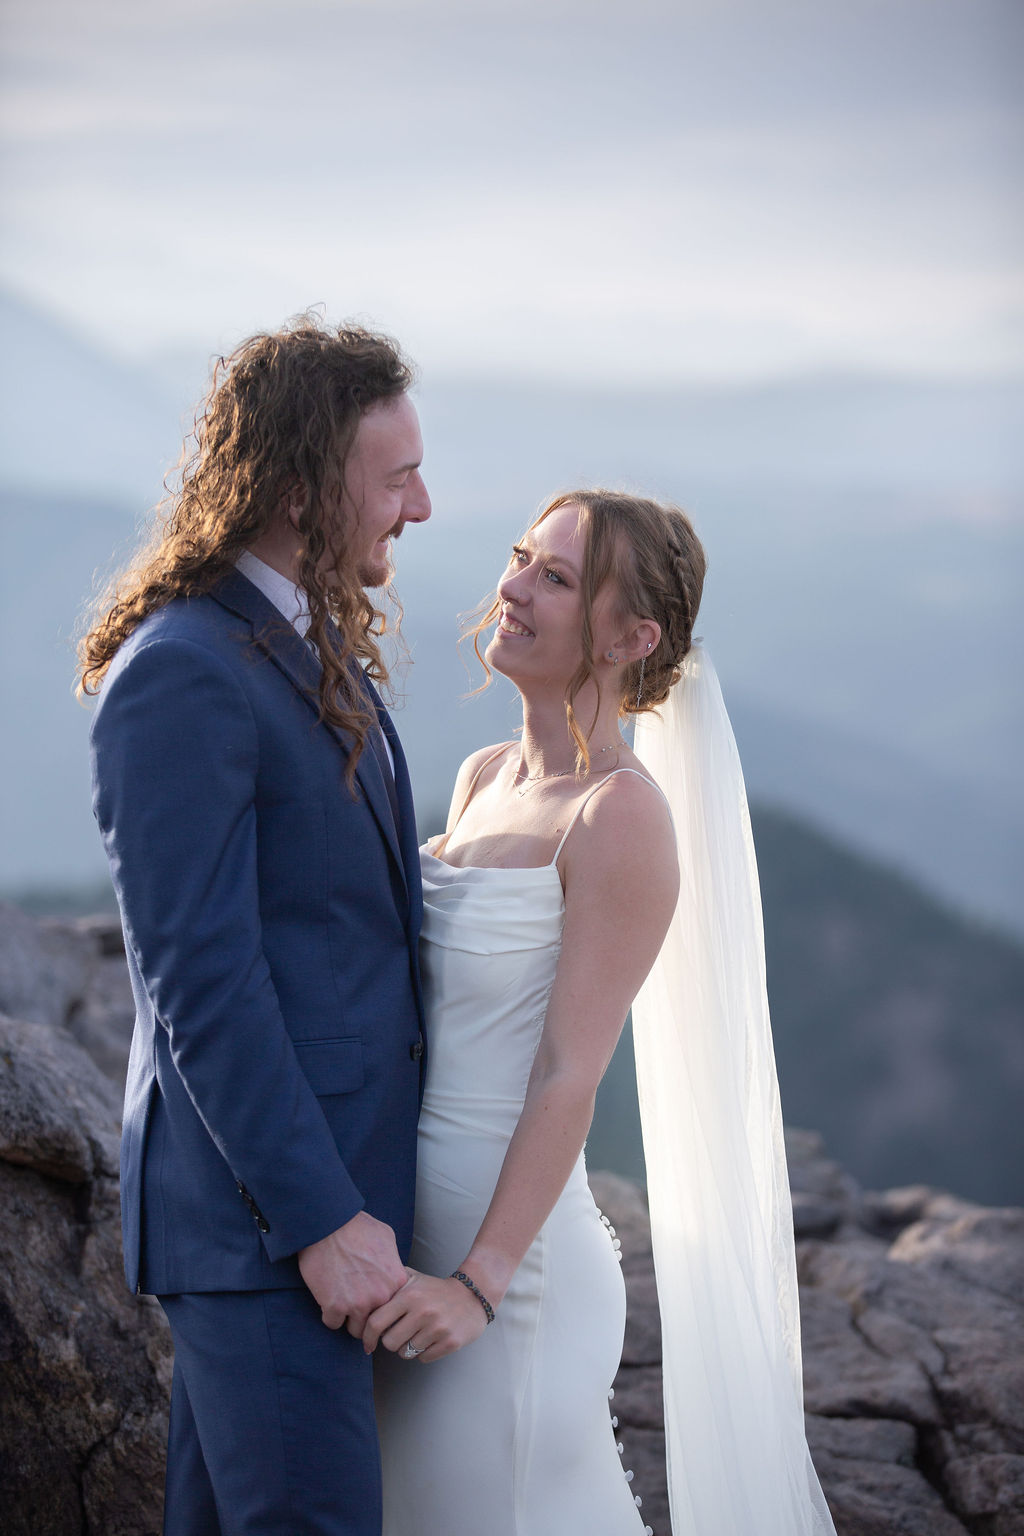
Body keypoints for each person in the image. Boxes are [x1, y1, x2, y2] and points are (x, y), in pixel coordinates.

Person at [369, 489, 837, 1536]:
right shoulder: (481, 777)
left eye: (557, 577)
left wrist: (477, 1289)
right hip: (403, 1264)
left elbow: (566, 1072)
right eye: (521, 559)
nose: (513, 588)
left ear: (634, 637)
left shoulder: (618, 815)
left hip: (507, 1287)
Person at [79, 315, 431, 1536]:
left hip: (318, 1216)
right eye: (395, 479)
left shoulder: (304, 631)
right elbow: (203, 982)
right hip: (268, 1231)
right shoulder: (184, 668)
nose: (423, 506)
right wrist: (322, 1222)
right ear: (295, 487)